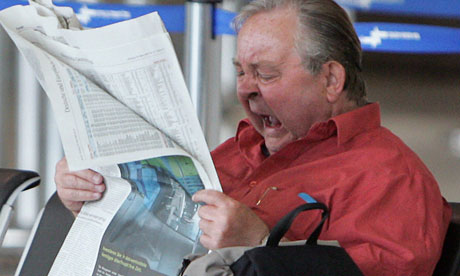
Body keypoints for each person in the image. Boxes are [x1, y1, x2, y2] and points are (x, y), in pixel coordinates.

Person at [54, 0, 452, 275]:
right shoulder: (239, 149)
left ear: (331, 79)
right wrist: (97, 195)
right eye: (241, 72)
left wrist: (262, 244)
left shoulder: (390, 176)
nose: (247, 90)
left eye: (266, 74)